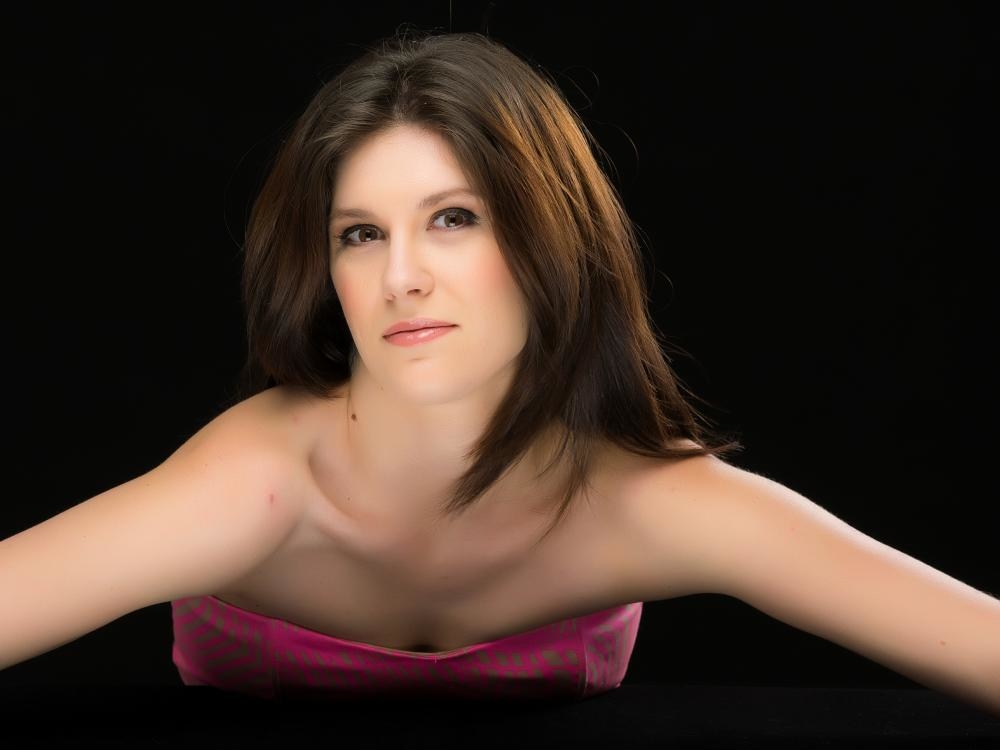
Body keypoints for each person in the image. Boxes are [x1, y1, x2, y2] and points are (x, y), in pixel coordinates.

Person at [1, 28, 998, 713]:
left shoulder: (645, 500)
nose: (400, 277)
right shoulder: (257, 483)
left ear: (549, 239)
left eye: (453, 219)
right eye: (359, 234)